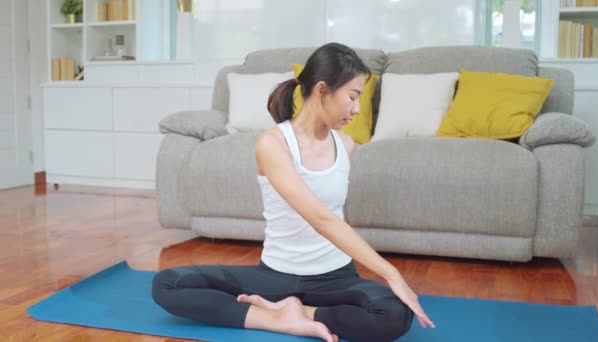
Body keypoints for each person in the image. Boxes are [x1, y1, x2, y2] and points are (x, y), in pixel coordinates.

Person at [152, 42, 435, 342]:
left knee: (393, 313)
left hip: (335, 278)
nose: (356, 109)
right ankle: (277, 320)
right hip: (275, 276)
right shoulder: (273, 144)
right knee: (167, 284)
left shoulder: (346, 146)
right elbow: (321, 219)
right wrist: (391, 273)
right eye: (352, 97)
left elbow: (334, 219)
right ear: (323, 90)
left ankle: (303, 313)